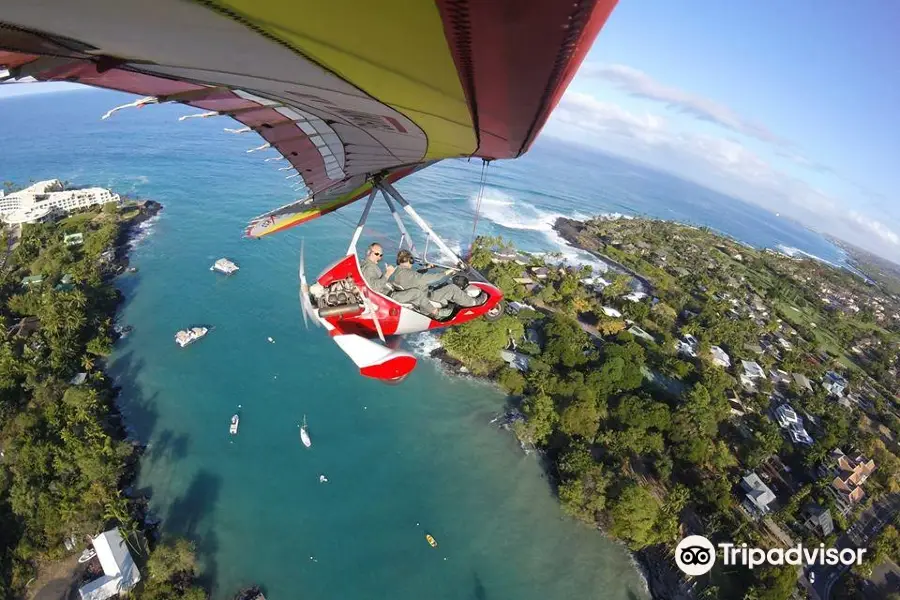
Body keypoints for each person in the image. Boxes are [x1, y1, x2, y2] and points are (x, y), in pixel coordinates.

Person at [391, 249, 485, 317]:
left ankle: (457, 302)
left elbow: (415, 277)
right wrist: (448, 271)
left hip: (421, 294)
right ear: (410, 260)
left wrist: (426, 268)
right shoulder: (410, 274)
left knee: (444, 285)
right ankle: (474, 302)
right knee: (452, 288)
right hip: (427, 297)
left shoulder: (398, 272)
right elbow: (432, 277)